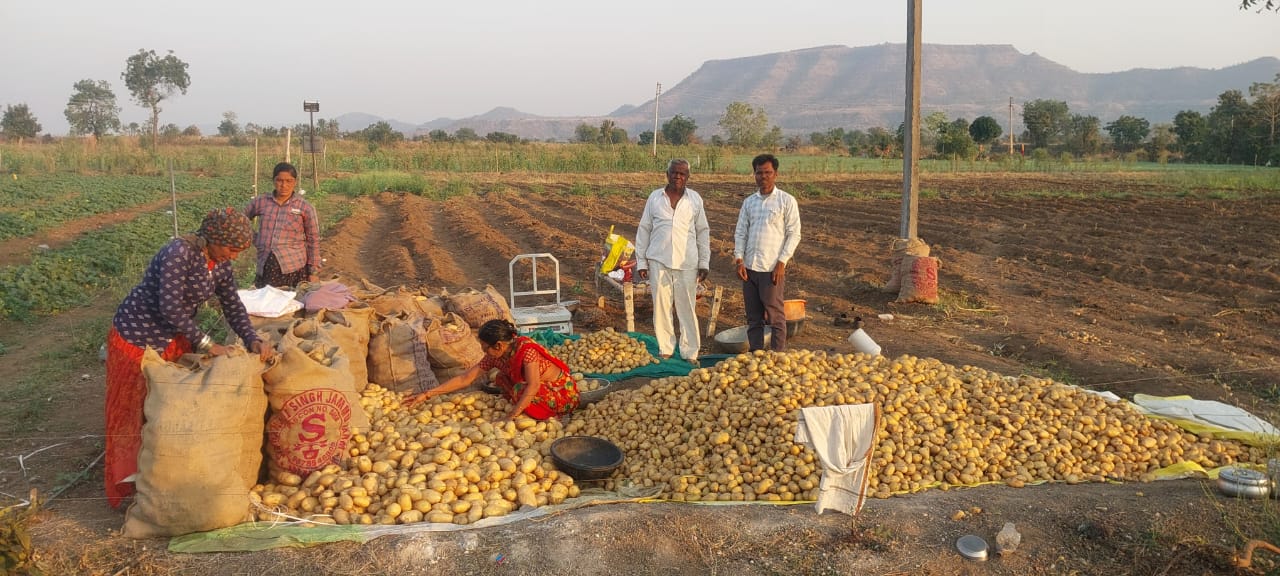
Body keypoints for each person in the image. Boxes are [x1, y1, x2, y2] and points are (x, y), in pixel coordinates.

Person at [104, 207, 276, 508]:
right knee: (133, 409)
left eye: (239, 251)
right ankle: (127, 486)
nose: (234, 256)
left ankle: (159, 475)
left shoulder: (220, 264)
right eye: (231, 249)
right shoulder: (178, 253)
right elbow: (170, 307)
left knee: (164, 409)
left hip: (174, 340)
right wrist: (208, 343)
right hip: (138, 337)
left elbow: (232, 304)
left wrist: (252, 338)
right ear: (213, 238)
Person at [404, 320, 579, 420]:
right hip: (538, 389)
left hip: (561, 393)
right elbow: (466, 378)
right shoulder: (495, 356)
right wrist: (428, 394)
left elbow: (533, 386)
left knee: (521, 388)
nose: (482, 350)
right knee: (501, 378)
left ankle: (555, 414)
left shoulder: (527, 352)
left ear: (498, 345)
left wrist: (511, 416)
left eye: (484, 346)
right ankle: (526, 406)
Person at [634, 158, 710, 363]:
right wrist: (641, 262)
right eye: (674, 172)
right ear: (667, 174)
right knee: (661, 307)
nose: (678, 176)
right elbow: (644, 229)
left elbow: (703, 231)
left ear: (688, 177)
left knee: (687, 308)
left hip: (688, 263)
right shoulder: (655, 198)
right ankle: (666, 349)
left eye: (682, 173)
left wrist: (704, 262)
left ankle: (690, 352)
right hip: (659, 260)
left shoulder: (695, 199)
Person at [733, 153, 801, 352]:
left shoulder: (786, 201)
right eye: (759, 173)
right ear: (754, 174)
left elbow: (794, 234)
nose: (763, 176)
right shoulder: (749, 202)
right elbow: (740, 231)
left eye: (768, 173)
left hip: (771, 268)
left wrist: (782, 262)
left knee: (775, 316)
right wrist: (739, 259)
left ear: (776, 174)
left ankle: (777, 356)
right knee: (753, 317)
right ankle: (757, 355)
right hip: (749, 268)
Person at [245, 162, 321, 289]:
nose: (284, 185)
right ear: (273, 181)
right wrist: (255, 238)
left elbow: (313, 240)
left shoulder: (304, 207)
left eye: (289, 181)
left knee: (292, 304)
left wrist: (313, 271)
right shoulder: (261, 202)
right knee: (267, 304)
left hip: (293, 267)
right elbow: (241, 219)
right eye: (279, 180)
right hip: (266, 266)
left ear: (295, 182)